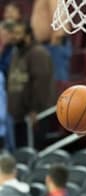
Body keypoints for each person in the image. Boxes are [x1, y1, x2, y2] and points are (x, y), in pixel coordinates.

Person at [7, 22, 55, 150]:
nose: (14, 37)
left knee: (33, 153)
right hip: (19, 116)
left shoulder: (38, 53)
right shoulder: (16, 53)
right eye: (13, 33)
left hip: (34, 117)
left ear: (28, 35)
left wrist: (36, 110)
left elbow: (42, 85)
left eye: (18, 34)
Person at [31, 0, 72, 81]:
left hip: (54, 46)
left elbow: (60, 23)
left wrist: (55, 46)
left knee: (57, 82)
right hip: (45, 46)